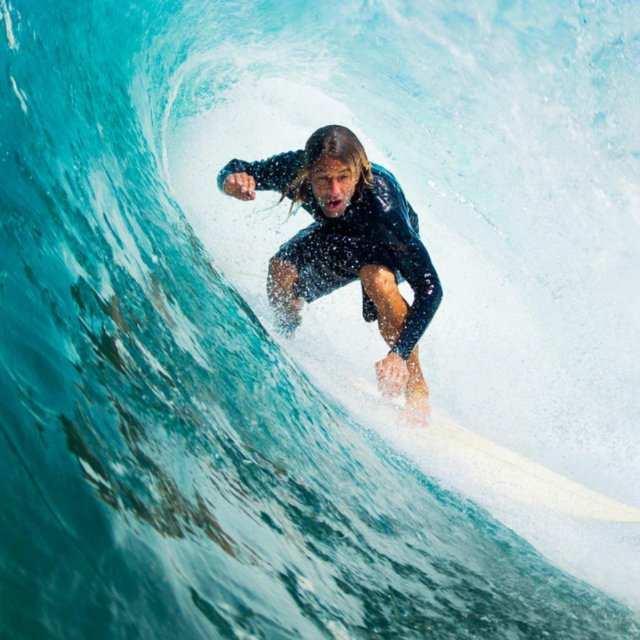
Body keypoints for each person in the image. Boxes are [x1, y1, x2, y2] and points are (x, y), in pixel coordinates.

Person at [217, 125, 442, 425]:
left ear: (358, 173)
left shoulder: (385, 208)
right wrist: (231, 182)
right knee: (280, 270)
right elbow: (241, 169)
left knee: (377, 280)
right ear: (309, 174)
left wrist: (398, 353)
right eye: (323, 179)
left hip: (383, 246)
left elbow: (431, 289)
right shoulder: (296, 170)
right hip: (338, 236)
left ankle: (416, 388)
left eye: (343, 178)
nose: (334, 191)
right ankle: (285, 332)